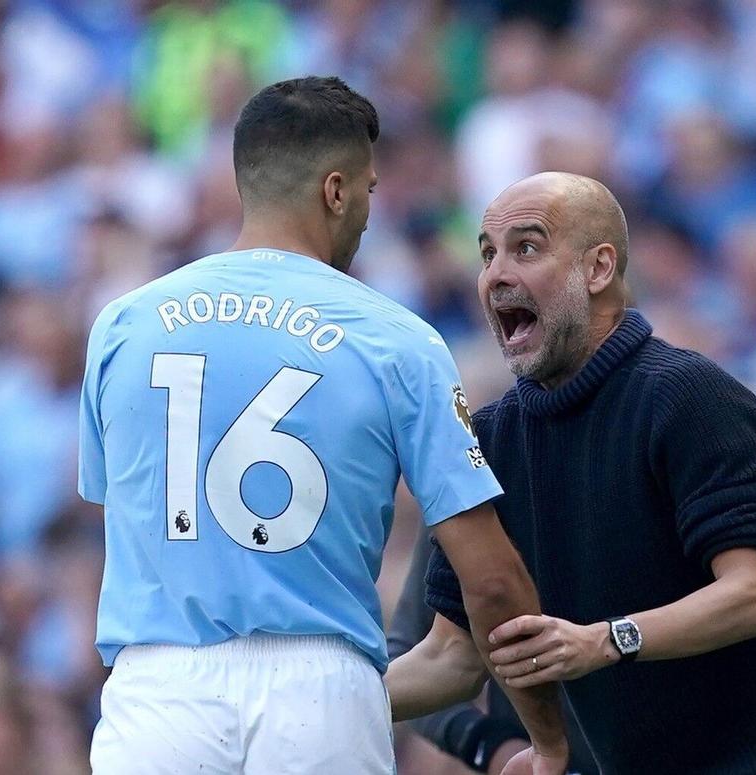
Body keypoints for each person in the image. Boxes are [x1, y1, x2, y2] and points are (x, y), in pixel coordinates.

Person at [78, 78, 567, 774]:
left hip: (157, 695)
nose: (369, 212)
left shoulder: (122, 325)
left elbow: (120, 520)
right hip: (321, 694)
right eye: (368, 189)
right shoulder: (398, 341)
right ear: (335, 191)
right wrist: (549, 740)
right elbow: (490, 582)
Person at [385, 172, 756, 774]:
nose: (496, 275)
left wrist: (604, 640)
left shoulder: (689, 396)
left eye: (527, 248)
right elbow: (450, 658)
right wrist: (310, 703)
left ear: (598, 269)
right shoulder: (490, 438)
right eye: (488, 255)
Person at [388, 525, 599, 775]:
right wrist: (489, 745)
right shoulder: (469, 504)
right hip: (535, 759)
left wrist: (608, 641)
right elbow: (433, 655)